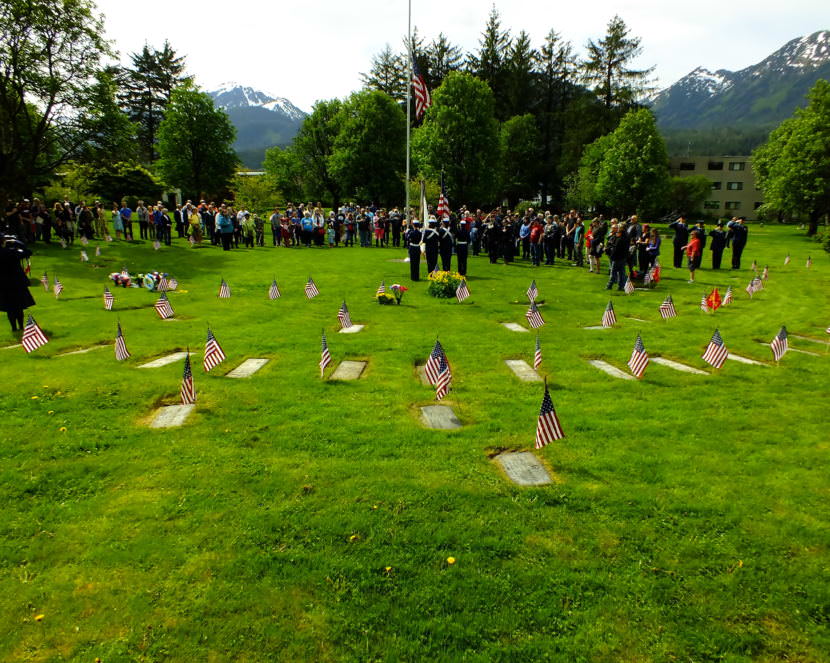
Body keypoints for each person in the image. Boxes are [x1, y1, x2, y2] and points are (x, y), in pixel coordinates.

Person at [0, 235, 35, 333]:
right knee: (18, 306)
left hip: (3, 285)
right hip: (16, 283)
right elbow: (28, 252)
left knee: (10, 307)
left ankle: (14, 328)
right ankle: (20, 326)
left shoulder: (7, 251)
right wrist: (17, 243)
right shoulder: (11, 252)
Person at [605, 224, 628, 291]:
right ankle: (621, 286)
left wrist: (611, 254)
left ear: (620, 232)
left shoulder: (619, 239)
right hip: (623, 258)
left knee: (613, 273)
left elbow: (616, 249)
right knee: (621, 273)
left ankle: (609, 285)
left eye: (618, 231)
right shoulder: (625, 238)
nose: (616, 233)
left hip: (617, 258)